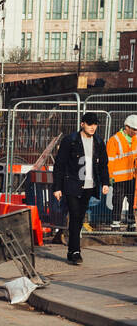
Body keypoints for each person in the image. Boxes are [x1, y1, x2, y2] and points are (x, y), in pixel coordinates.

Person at [53, 113, 111, 265]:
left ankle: (71, 250)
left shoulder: (98, 142)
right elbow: (59, 165)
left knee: (78, 218)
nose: (93, 127)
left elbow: (103, 164)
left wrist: (105, 183)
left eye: (95, 124)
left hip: (89, 186)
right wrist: (57, 187)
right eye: (89, 124)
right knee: (75, 214)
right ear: (82, 124)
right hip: (71, 184)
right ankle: (76, 251)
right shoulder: (70, 141)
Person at [105, 115, 137, 229]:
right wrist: (110, 176)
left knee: (133, 199)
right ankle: (116, 223)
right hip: (118, 178)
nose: (135, 131)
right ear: (126, 127)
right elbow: (110, 160)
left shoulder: (135, 139)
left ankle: (131, 222)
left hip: (132, 176)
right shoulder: (114, 140)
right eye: (134, 129)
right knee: (117, 200)